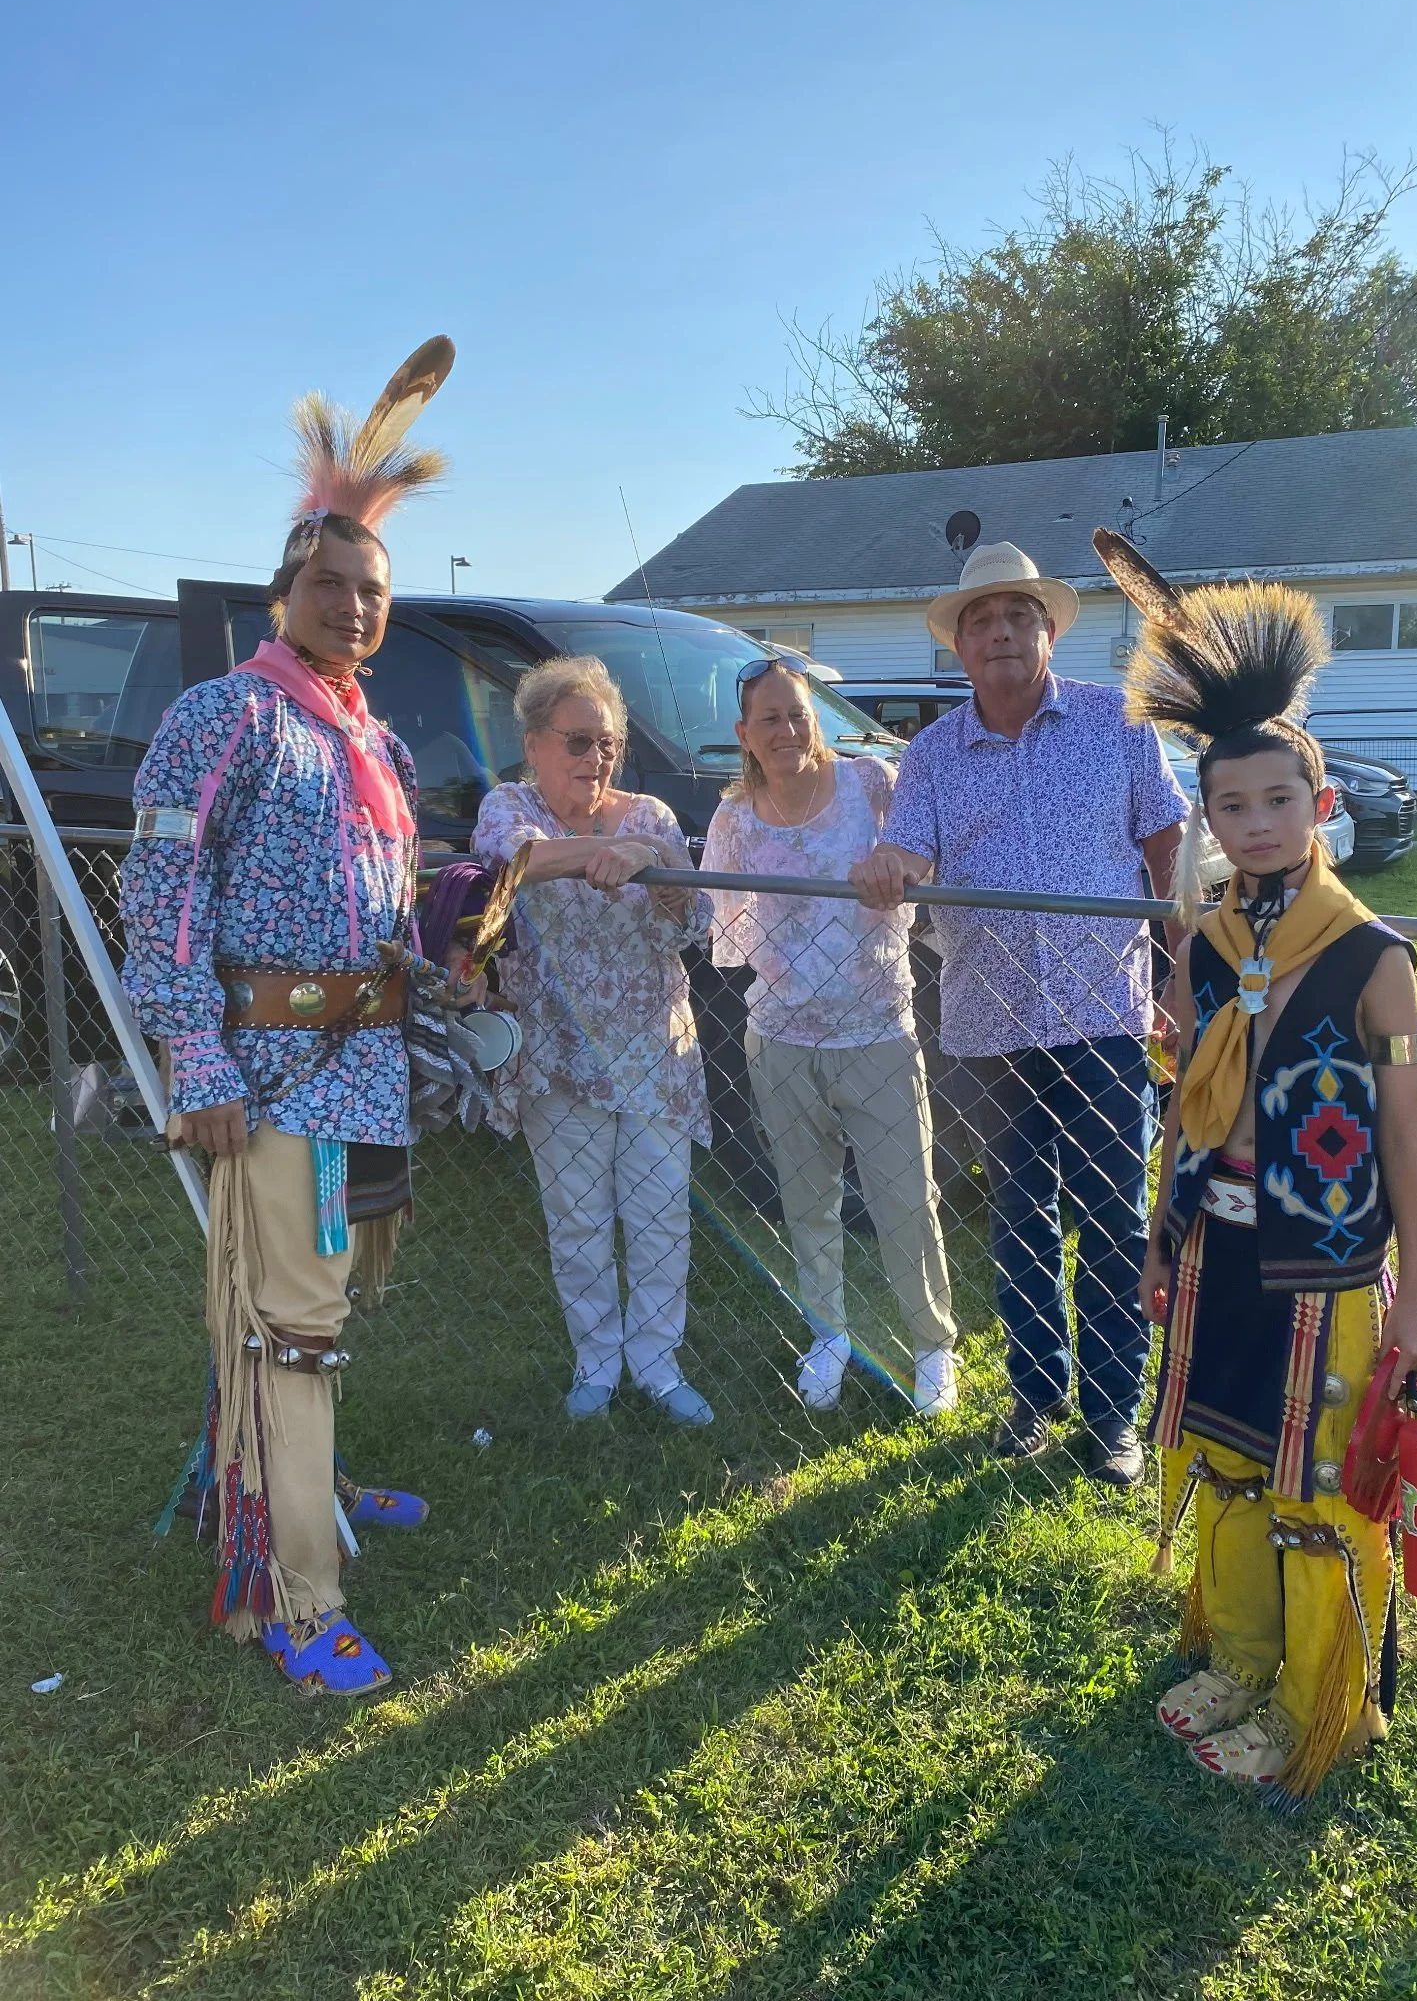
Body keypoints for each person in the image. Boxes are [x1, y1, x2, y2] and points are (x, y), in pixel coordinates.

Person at [121, 338, 455, 1694]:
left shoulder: (373, 741)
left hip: (364, 1066)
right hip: (264, 1073)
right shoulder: (226, 718)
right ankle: (296, 1594)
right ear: (287, 591)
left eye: (374, 591)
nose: (357, 607)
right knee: (287, 1325)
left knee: (300, 1314)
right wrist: (193, 1052)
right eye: (334, 585)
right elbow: (162, 885)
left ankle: (273, 1483)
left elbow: (390, 897)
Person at [1094, 528, 1417, 1799]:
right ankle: (1239, 1657)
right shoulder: (1204, 940)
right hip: (1217, 1245)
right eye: (1228, 805)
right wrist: (1153, 1241)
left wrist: (1413, 1293)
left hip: (1329, 1262)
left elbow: (1409, 1132)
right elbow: (1188, 1107)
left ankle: (1319, 1704)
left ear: (1322, 804)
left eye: (1277, 801)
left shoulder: (1371, 959)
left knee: (1316, 1485)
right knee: (1229, 1460)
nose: (1251, 824)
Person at [849, 541, 1188, 1485]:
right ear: (958, 645)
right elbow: (909, 851)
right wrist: (891, 867)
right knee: (1019, 1215)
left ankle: (1114, 1413)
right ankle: (1035, 1396)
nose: (999, 631)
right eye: (980, 620)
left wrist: (1179, 968)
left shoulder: (1115, 722)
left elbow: (1169, 848)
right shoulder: (929, 754)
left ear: (1046, 630)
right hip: (988, 1026)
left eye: (1016, 615)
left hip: (1104, 1016)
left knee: (1115, 1217)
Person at [702, 656, 958, 1416]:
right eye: (769, 718)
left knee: (904, 1199)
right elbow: (726, 927)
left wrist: (894, 867)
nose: (787, 729)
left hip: (877, 1028)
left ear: (818, 719)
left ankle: (931, 1344)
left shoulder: (871, 786)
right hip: (780, 1037)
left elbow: (925, 853)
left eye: (798, 713)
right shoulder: (734, 819)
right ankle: (830, 1333)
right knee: (807, 1200)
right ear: (746, 735)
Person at [473, 656, 715, 1426]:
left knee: (658, 1213)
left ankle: (656, 1363)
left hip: (652, 1051)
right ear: (535, 743)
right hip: (559, 1055)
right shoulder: (508, 805)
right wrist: (615, 856)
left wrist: (654, 865)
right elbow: (519, 863)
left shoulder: (650, 816)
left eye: (607, 744)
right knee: (576, 1217)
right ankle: (597, 1364)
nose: (595, 759)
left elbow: (696, 921)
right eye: (577, 742)